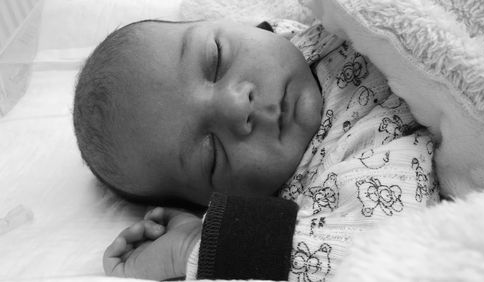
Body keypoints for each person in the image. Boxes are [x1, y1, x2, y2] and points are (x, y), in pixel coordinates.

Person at [73, 18, 439, 281]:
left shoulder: (313, 26)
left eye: (216, 60)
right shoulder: (330, 187)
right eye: (211, 152)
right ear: (216, 201)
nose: (237, 106)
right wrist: (193, 245)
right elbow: (365, 260)